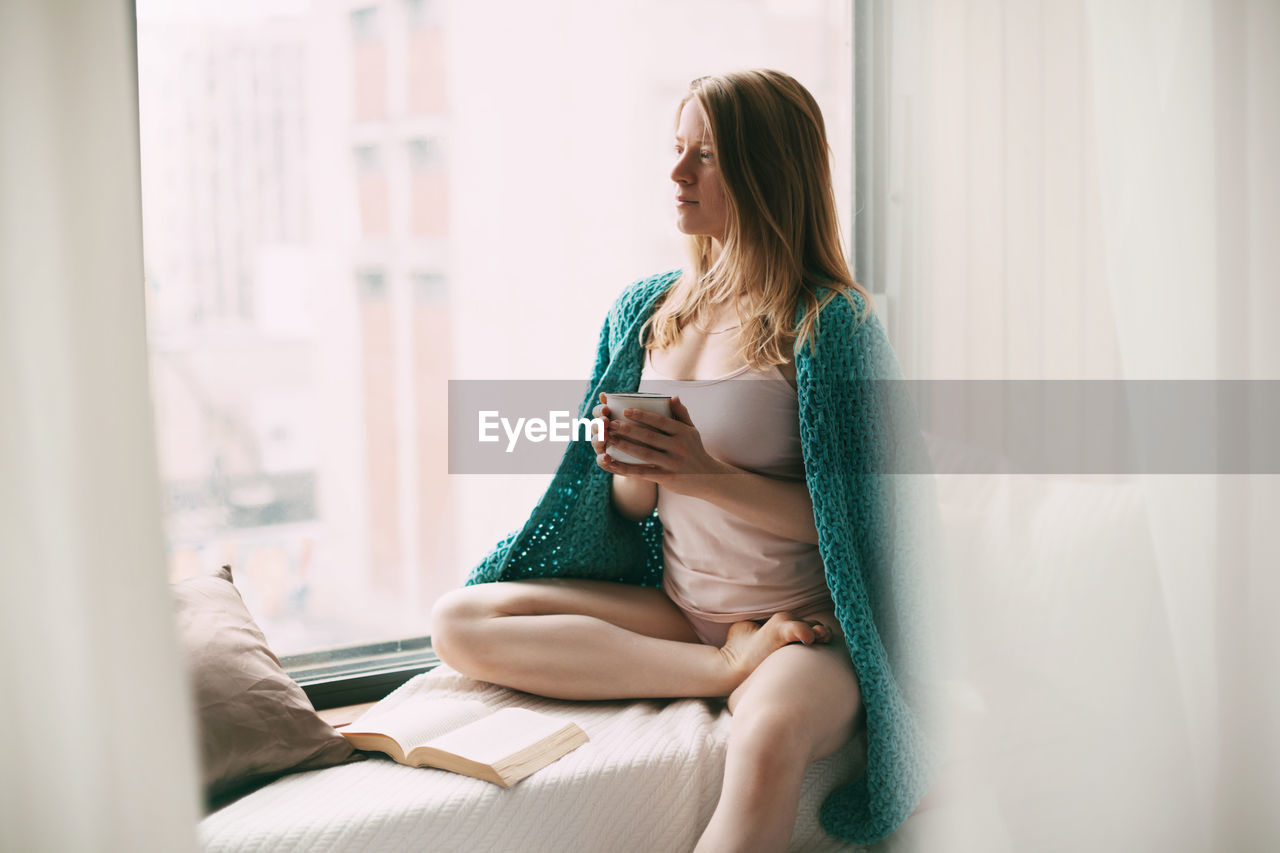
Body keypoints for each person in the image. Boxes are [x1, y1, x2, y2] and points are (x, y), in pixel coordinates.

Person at [432, 69, 935, 850]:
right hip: (679, 607)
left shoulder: (831, 327)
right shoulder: (645, 310)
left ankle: (745, 668)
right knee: (460, 620)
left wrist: (706, 474)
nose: (677, 174)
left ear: (765, 171)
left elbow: (875, 524)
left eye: (705, 155)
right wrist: (629, 465)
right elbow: (632, 510)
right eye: (677, 149)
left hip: (804, 623)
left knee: (764, 743)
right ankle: (720, 670)